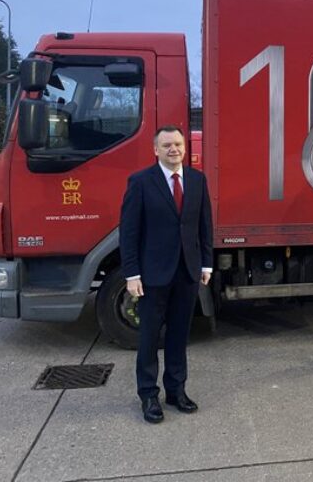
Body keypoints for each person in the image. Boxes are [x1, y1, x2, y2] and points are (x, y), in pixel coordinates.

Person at [120, 125, 213, 422]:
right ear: (155, 150)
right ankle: (148, 395)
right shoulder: (140, 182)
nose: (173, 149)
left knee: (178, 335)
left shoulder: (197, 180)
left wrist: (206, 264)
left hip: (186, 271)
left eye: (177, 144)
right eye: (167, 145)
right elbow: (129, 232)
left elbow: (204, 226)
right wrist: (132, 274)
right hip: (152, 274)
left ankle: (176, 391)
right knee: (149, 336)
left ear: (185, 148)